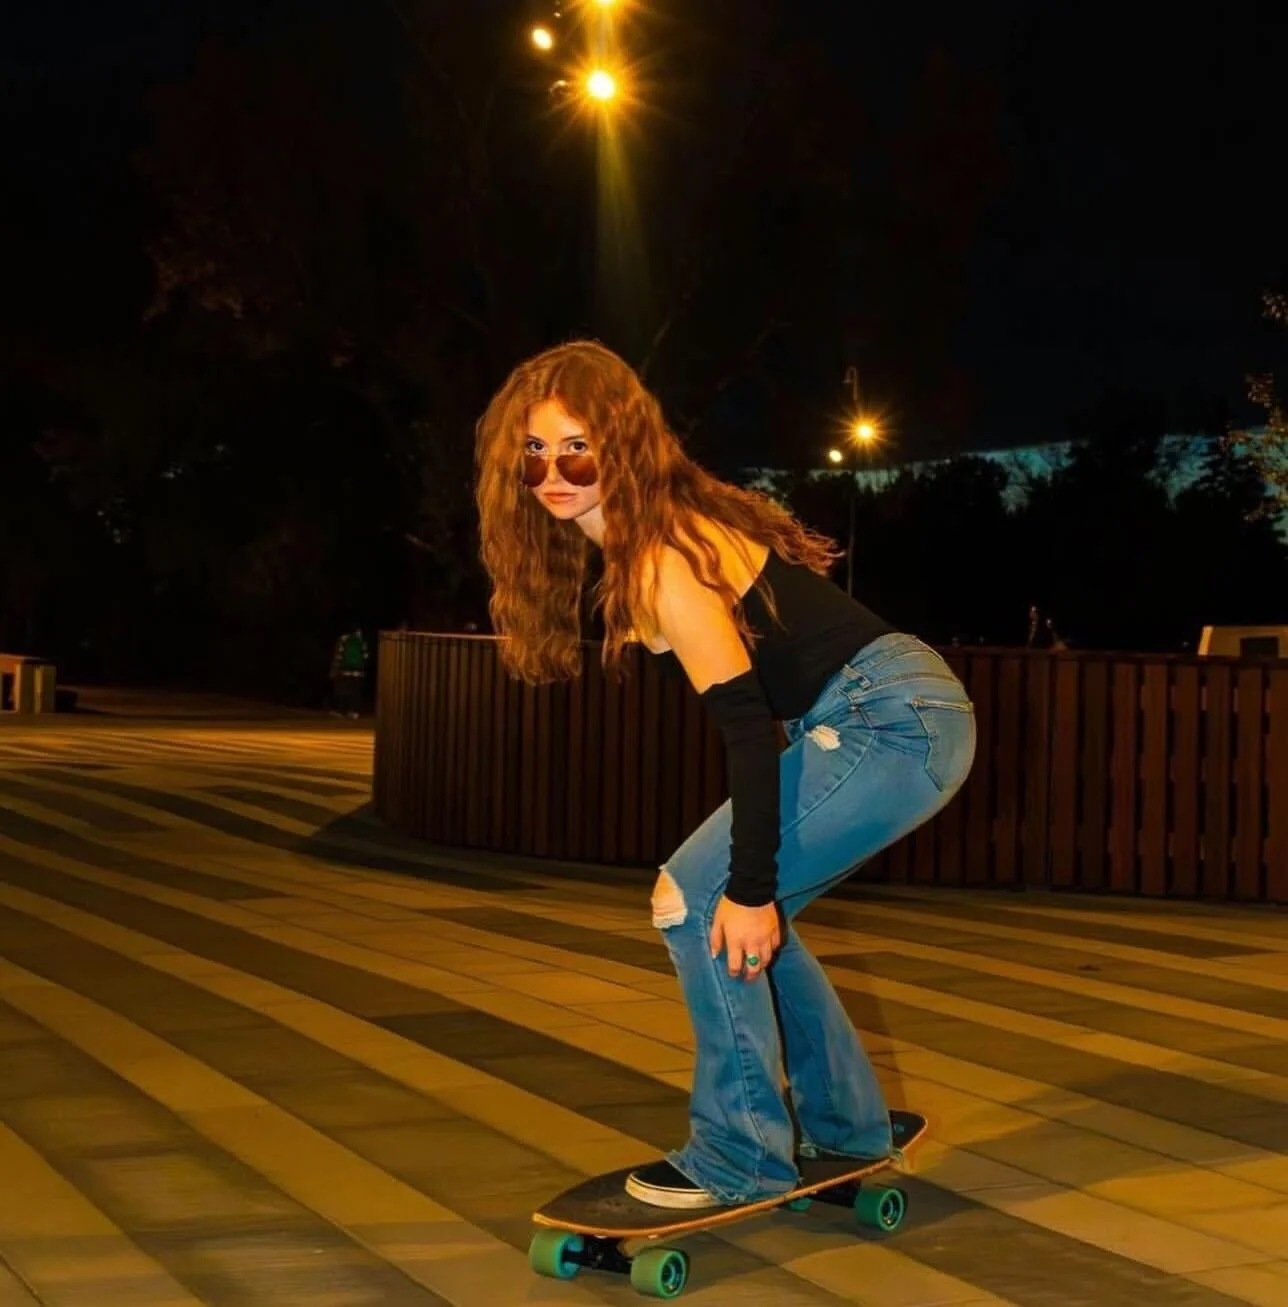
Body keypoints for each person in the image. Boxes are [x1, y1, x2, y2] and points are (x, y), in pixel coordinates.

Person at [474, 341, 975, 1210]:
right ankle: (847, 1123)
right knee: (742, 917)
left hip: (891, 720)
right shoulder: (643, 540)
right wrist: (753, 896)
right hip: (887, 714)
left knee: (700, 900)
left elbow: (746, 731)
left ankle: (739, 1154)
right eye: (535, 452)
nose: (554, 471)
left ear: (622, 447)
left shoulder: (662, 553)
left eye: (577, 448)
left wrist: (744, 886)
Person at [330, 627, 369, 718]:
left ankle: (341, 711)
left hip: (345, 670)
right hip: (358, 671)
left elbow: (339, 655)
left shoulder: (343, 639)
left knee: (342, 691)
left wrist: (335, 669)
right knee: (356, 692)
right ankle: (354, 711)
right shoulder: (361, 641)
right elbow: (366, 656)